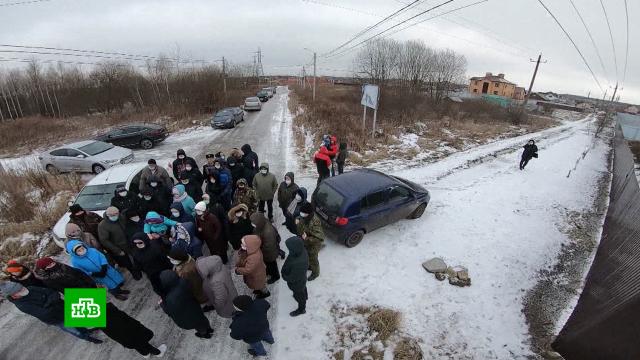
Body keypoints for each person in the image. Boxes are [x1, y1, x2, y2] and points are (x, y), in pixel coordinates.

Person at [0, 281, 102, 343]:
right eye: (19, 290)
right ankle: (86, 337)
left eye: (21, 287)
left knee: (76, 321)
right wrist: (50, 301)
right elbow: (45, 313)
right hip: (56, 319)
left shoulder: (30, 288)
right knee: (73, 330)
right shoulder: (22, 305)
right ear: (14, 295)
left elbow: (52, 292)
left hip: (61, 308)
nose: (23, 289)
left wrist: (48, 303)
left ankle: (86, 331)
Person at [158, 270, 213, 339]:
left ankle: (205, 334)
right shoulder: (183, 282)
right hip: (195, 309)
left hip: (188, 318)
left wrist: (162, 304)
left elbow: (170, 311)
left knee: (198, 325)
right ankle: (209, 329)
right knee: (202, 320)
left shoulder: (169, 298)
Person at [101, 302, 167, 358]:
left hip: (100, 318)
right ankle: (157, 353)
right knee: (133, 335)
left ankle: (145, 353)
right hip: (112, 317)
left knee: (122, 336)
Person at [98, 206, 142, 280]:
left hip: (131, 243)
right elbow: (104, 240)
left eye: (116, 214)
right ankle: (134, 273)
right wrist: (117, 250)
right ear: (108, 215)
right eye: (112, 215)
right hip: (119, 247)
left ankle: (139, 269)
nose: (115, 216)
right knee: (127, 263)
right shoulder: (103, 225)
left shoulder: (122, 217)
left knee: (136, 257)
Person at [131, 232, 173, 296]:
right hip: (152, 275)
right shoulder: (135, 253)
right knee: (159, 289)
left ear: (145, 240)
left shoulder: (155, 246)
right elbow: (137, 265)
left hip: (164, 270)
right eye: (135, 243)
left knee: (171, 284)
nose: (137, 245)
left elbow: (164, 257)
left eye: (140, 242)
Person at [281, 236, 309, 317]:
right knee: (303, 288)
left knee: (299, 295)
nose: (289, 249)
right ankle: (305, 296)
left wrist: (285, 276)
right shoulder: (300, 250)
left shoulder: (299, 263)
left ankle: (301, 309)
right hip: (302, 279)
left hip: (297, 283)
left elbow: (293, 278)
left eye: (290, 248)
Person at [296, 202, 324, 281]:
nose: (301, 214)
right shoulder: (304, 217)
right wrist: (298, 223)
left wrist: (307, 238)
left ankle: (315, 273)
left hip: (313, 245)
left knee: (313, 259)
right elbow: (301, 226)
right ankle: (310, 266)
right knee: (308, 256)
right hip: (306, 243)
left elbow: (320, 238)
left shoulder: (315, 222)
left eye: (303, 213)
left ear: (308, 213)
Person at [250, 213, 280, 284]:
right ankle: (269, 272)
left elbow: (269, 247)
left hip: (270, 253)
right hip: (267, 250)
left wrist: (259, 250)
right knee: (268, 264)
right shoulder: (262, 223)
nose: (253, 225)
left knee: (272, 264)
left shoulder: (268, 232)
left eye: (254, 223)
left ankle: (275, 276)